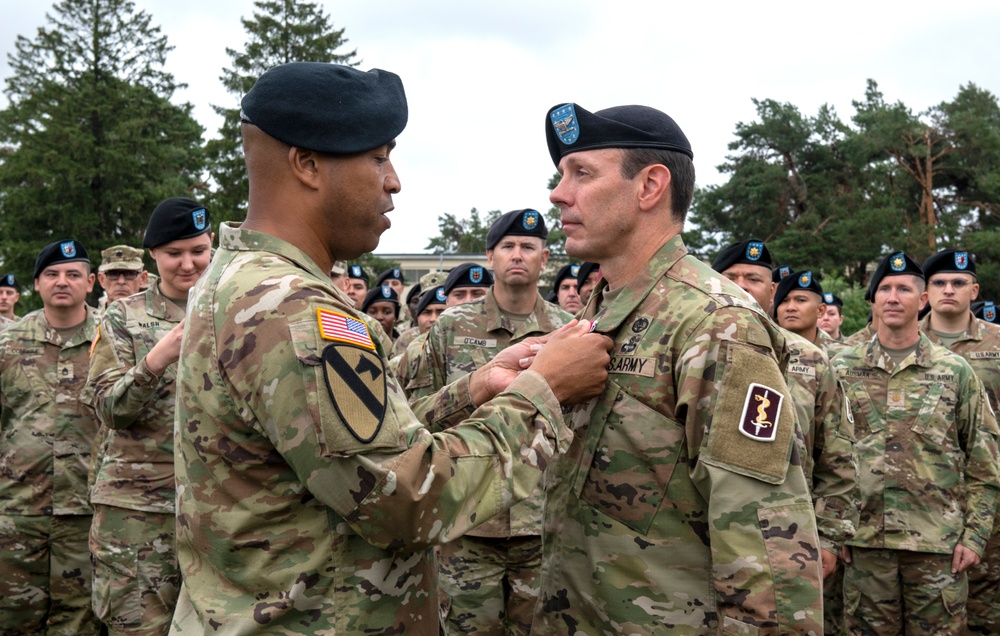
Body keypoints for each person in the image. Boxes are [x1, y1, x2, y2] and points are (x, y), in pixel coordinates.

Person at [169, 61, 613, 634]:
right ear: (306, 164)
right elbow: (404, 499)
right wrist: (543, 394)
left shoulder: (246, 277)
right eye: (379, 158)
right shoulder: (292, 308)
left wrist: (474, 390)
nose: (394, 180)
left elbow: (336, 446)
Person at [534, 102, 823, 633]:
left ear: (650, 187)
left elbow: (766, 537)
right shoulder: (598, 311)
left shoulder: (716, 322)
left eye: (582, 173)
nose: (558, 193)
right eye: (561, 175)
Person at [410, 208, 572, 635]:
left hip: (541, 526)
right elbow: (418, 411)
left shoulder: (566, 330)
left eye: (528, 247)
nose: (518, 255)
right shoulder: (450, 326)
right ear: (490, 257)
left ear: (545, 258)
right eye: (508, 247)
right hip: (467, 523)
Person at [832, 251, 1000, 635]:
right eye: (884, 289)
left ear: (921, 300)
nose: (893, 297)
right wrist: (831, 530)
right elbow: (824, 455)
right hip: (864, 545)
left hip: (938, 547)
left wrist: (974, 537)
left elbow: (983, 459)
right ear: (872, 300)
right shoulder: (840, 367)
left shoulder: (954, 370)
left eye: (904, 289)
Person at [712, 239, 857, 634]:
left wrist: (828, 538)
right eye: (731, 278)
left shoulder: (809, 358)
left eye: (754, 278)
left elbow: (838, 458)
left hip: (789, 541)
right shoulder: (690, 350)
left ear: (772, 290)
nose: (743, 286)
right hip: (703, 535)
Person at [86, 198, 213, 635]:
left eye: (198, 250)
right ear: (153, 257)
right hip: (139, 513)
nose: (187, 263)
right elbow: (107, 408)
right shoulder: (124, 316)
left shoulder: (234, 311)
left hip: (217, 511)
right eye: (174, 253)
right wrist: (155, 361)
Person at [0, 239, 102, 634]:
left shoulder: (111, 340)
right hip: (16, 510)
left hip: (87, 509)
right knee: (12, 616)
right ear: (37, 285)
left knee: (80, 620)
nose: (63, 282)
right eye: (52, 275)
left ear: (90, 282)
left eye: (73, 274)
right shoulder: (7, 343)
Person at [918, 248, 1000, 634]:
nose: (948, 289)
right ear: (926, 291)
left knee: (987, 605)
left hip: (990, 489)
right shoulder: (901, 338)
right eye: (939, 282)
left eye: (958, 282)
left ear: (974, 290)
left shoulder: (998, 342)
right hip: (924, 497)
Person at [773, 269, 837, 352]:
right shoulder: (764, 351)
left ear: (820, 310)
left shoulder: (843, 356)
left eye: (801, 300)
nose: (790, 307)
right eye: (784, 301)